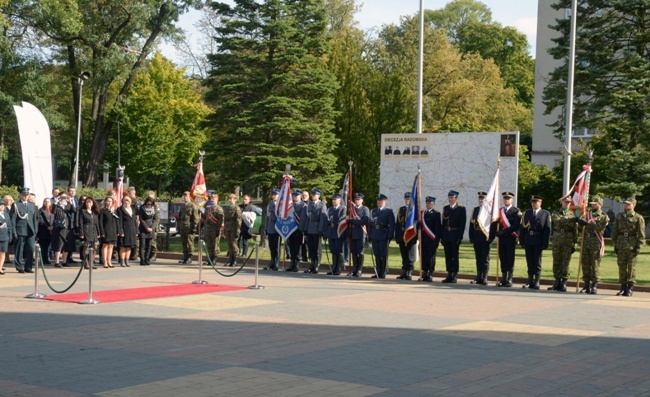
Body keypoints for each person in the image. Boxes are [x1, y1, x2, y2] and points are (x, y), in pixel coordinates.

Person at [611, 197, 645, 297]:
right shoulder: (619, 216)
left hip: (632, 245)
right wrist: (615, 244)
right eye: (625, 204)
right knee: (621, 267)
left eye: (628, 204)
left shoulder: (638, 217)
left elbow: (641, 234)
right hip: (621, 244)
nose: (626, 205)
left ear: (633, 205)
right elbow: (615, 231)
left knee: (631, 268)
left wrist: (638, 246)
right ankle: (622, 288)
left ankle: (630, 288)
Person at [576, 196, 609, 294]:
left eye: (595, 204)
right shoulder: (587, 214)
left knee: (595, 264)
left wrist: (587, 223)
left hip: (595, 242)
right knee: (585, 264)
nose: (593, 205)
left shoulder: (604, 216)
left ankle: (594, 285)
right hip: (586, 241)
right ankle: (586, 285)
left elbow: (599, 228)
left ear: (600, 205)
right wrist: (580, 223)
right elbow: (580, 228)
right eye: (592, 204)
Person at [519, 195, 551, 290]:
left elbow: (547, 230)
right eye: (532, 202)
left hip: (538, 240)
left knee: (537, 262)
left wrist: (546, 242)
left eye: (536, 202)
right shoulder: (527, 213)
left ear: (540, 203)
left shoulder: (545, 214)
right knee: (529, 261)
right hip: (528, 239)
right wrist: (522, 240)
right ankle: (529, 280)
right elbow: (522, 228)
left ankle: (536, 281)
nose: (534, 204)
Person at [549, 197, 578, 292]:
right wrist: (570, 220)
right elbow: (557, 221)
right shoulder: (556, 212)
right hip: (557, 240)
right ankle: (557, 282)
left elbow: (575, 230)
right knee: (556, 261)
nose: (567, 204)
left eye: (569, 202)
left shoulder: (572, 214)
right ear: (561, 202)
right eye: (565, 202)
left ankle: (564, 282)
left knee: (566, 262)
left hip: (568, 240)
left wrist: (575, 242)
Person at [468, 192, 494, 285]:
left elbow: (493, 226)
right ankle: (478, 276)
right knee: (478, 258)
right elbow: (471, 224)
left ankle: (485, 277)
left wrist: (491, 237)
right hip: (476, 237)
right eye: (480, 198)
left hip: (485, 238)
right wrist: (471, 236)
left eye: (483, 198)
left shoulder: (489, 210)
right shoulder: (475, 210)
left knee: (485, 258)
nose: (481, 200)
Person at [10, 187, 38, 273]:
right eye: (23, 195)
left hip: (30, 230)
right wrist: (14, 232)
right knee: (19, 250)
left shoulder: (32, 205)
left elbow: (34, 219)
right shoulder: (16, 204)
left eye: (26, 195)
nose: (25, 196)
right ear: (20, 195)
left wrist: (35, 230)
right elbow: (13, 219)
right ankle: (19, 267)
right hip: (20, 230)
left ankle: (28, 267)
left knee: (30, 249)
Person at [441, 190, 466, 283]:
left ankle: (454, 274)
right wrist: (442, 237)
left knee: (454, 256)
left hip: (455, 235)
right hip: (446, 235)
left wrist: (460, 237)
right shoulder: (446, 208)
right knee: (448, 256)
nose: (450, 199)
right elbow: (443, 224)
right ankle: (449, 273)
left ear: (456, 198)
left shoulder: (461, 209)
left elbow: (462, 225)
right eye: (449, 197)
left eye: (452, 198)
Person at [496, 192, 521, 287]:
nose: (506, 200)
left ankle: (509, 278)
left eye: (508, 198)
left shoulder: (516, 211)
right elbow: (495, 224)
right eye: (505, 198)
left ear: (512, 200)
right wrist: (496, 232)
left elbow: (515, 225)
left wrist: (504, 231)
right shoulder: (499, 211)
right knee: (502, 258)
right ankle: (503, 277)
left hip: (510, 238)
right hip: (501, 239)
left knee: (510, 258)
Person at [301, 188, 327, 274]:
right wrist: (305, 229)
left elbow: (323, 218)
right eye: (312, 194)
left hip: (317, 227)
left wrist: (321, 229)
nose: (313, 196)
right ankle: (312, 264)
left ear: (318, 195)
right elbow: (306, 218)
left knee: (317, 249)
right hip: (310, 228)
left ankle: (317, 265)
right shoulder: (309, 204)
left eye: (314, 195)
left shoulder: (322, 205)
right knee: (311, 248)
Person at [369, 194, 395, 279]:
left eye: (380, 201)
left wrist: (389, 236)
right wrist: (370, 235)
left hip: (383, 235)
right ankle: (378, 271)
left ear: (384, 201)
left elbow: (391, 225)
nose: (379, 202)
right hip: (375, 234)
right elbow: (370, 224)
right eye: (378, 200)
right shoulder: (374, 211)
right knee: (377, 254)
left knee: (383, 254)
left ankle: (383, 272)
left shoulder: (388, 211)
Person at [395, 192, 417, 280]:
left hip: (410, 236)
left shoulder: (414, 210)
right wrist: (397, 236)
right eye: (406, 199)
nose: (407, 200)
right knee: (404, 254)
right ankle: (404, 271)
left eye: (408, 199)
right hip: (402, 235)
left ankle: (409, 271)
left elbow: (416, 224)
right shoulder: (401, 209)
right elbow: (398, 224)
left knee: (410, 255)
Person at [420, 196, 442, 282]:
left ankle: (429, 272)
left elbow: (438, 227)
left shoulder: (436, 214)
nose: (428, 205)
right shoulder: (422, 213)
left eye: (430, 203)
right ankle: (424, 271)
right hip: (423, 238)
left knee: (431, 256)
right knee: (424, 255)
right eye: (427, 203)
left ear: (433, 204)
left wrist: (437, 239)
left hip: (432, 239)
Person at [324, 193, 346, 276]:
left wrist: (342, 233)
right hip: (331, 232)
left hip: (338, 232)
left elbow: (343, 221)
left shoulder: (342, 209)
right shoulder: (330, 209)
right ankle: (334, 268)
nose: (333, 201)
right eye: (333, 199)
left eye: (335, 199)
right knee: (333, 251)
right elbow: (327, 221)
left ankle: (338, 268)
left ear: (339, 200)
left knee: (338, 251)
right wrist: (326, 233)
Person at [51, 194, 75, 268]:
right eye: (62, 197)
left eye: (65, 197)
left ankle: (64, 261)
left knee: (66, 244)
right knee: (59, 243)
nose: (63, 199)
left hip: (68, 227)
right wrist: (56, 202)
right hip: (60, 227)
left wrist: (70, 202)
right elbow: (53, 212)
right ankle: (57, 262)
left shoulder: (68, 205)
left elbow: (73, 211)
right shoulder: (56, 205)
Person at [349, 193, 370, 277]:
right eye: (356, 199)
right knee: (354, 251)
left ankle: (359, 269)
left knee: (360, 251)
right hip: (353, 233)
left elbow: (365, 221)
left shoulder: (365, 209)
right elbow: (348, 219)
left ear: (362, 200)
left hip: (361, 233)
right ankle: (355, 268)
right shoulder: (352, 209)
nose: (357, 201)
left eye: (358, 199)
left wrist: (354, 221)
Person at [77, 197, 100, 269]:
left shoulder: (94, 212)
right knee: (86, 247)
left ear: (92, 203)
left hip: (94, 231)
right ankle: (86, 263)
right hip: (86, 231)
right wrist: (81, 233)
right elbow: (80, 223)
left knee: (95, 247)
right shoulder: (82, 211)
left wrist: (98, 232)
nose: (88, 204)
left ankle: (91, 263)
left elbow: (97, 223)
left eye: (90, 202)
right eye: (87, 202)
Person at [99, 196, 120, 268]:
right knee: (105, 245)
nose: (109, 202)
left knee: (111, 246)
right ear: (105, 202)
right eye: (107, 201)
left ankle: (109, 261)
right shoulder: (102, 211)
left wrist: (117, 230)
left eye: (110, 201)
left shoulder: (114, 211)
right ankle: (104, 262)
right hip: (106, 230)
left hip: (113, 231)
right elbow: (100, 222)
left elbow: (117, 221)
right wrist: (102, 232)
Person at [286, 190, 305, 272]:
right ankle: (292, 263)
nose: (295, 197)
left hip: (298, 229)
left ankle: (296, 264)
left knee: (297, 248)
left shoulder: (303, 205)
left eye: (297, 195)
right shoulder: (291, 205)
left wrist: (300, 230)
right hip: (291, 229)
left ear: (300, 196)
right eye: (294, 195)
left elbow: (303, 219)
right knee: (291, 248)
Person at [178, 191, 199, 264]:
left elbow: (196, 217)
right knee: (184, 242)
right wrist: (179, 226)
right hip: (183, 227)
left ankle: (189, 257)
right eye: (184, 196)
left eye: (187, 196)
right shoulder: (182, 206)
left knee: (189, 242)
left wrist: (194, 226)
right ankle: (185, 256)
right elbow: (180, 217)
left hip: (189, 227)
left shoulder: (192, 206)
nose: (185, 197)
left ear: (189, 197)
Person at [117, 196, 138, 267]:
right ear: (123, 202)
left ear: (130, 202)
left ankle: (127, 260)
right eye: (125, 201)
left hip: (132, 230)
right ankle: (122, 261)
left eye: (128, 201)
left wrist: (136, 231)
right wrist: (121, 230)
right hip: (124, 229)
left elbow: (135, 220)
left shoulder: (133, 209)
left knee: (129, 246)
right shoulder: (120, 209)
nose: (126, 203)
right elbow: (119, 221)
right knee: (123, 246)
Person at [204, 193, 224, 265]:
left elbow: (221, 220)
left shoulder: (219, 209)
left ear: (217, 199)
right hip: (209, 229)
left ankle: (214, 259)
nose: (212, 199)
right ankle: (210, 258)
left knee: (215, 245)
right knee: (209, 245)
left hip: (215, 229)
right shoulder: (208, 209)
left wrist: (218, 229)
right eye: (211, 198)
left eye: (214, 198)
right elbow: (206, 218)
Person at [138, 197, 158, 266]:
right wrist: (146, 227)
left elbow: (155, 219)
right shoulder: (142, 208)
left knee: (149, 245)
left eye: (150, 204)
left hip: (151, 228)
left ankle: (147, 258)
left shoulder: (154, 209)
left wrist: (152, 228)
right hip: (144, 228)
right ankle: (142, 259)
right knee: (142, 245)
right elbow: (141, 219)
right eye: (148, 204)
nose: (149, 205)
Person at [224, 193, 242, 267]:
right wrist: (225, 229)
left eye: (232, 199)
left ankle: (235, 260)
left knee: (234, 244)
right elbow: (225, 220)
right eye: (229, 199)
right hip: (228, 228)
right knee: (229, 244)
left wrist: (238, 231)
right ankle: (230, 260)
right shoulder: (227, 208)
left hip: (234, 228)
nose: (231, 200)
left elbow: (238, 220)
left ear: (235, 200)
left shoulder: (236, 208)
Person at [264, 189, 281, 270]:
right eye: (273, 194)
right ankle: (272, 261)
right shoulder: (270, 204)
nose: (274, 196)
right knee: (271, 246)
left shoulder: (281, 204)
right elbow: (267, 217)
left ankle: (277, 263)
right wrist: (266, 228)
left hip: (277, 227)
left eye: (275, 194)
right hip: (270, 226)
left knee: (277, 246)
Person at [37, 198, 54, 264]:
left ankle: (46, 259)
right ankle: (43, 260)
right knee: (43, 246)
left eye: (48, 202)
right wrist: (47, 227)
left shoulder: (51, 210)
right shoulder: (41, 210)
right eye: (45, 202)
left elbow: (53, 218)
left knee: (48, 246)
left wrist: (52, 226)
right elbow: (41, 220)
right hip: (43, 230)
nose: (47, 203)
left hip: (50, 231)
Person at [146, 191, 161, 262]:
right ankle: (148, 255)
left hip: (153, 226)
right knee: (147, 241)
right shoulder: (146, 205)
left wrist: (154, 227)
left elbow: (157, 218)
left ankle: (153, 255)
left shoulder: (156, 206)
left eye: (151, 197)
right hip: (147, 226)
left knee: (153, 242)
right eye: (149, 197)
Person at [66, 186, 79, 264]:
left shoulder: (76, 200)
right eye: (70, 191)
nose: (72, 193)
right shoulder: (66, 200)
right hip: (68, 222)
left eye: (73, 191)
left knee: (72, 241)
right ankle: (66, 257)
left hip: (74, 222)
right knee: (68, 240)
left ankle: (70, 256)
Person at [0, 199, 13, 274]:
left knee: (3, 253)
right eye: (0, 205)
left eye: (2, 205)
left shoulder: (6, 214)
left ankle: (0, 268)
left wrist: (10, 236)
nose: (1, 207)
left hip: (4, 236)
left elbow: (9, 226)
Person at [300, 190, 310, 262]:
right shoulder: (299, 203)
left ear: (308, 196)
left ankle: (310, 257)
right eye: (303, 195)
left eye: (305, 195)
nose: (304, 196)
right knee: (301, 243)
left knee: (309, 243)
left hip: (308, 226)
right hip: (300, 225)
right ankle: (303, 257)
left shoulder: (310, 204)